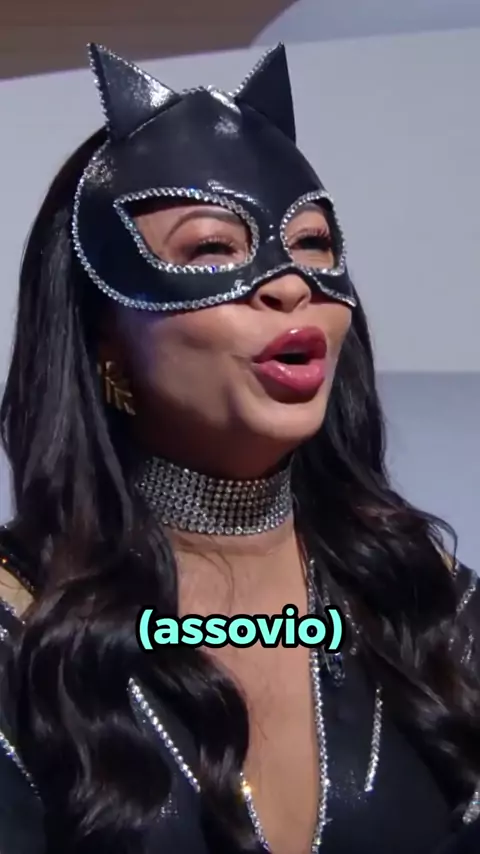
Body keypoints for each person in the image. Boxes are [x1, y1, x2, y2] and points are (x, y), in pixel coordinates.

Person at [0, 40, 478, 854]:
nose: (288, 284)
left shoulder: (422, 603)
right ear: (103, 334)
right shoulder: (20, 630)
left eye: (313, 245)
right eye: (213, 249)